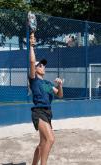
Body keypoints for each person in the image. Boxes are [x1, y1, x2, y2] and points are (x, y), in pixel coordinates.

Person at [29, 33, 63, 165]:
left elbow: (59, 95)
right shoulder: (34, 80)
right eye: (41, 65)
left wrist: (60, 85)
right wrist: (31, 45)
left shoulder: (48, 84)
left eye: (44, 65)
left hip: (48, 113)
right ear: (36, 69)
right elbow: (32, 61)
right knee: (51, 139)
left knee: (42, 144)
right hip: (39, 112)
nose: (44, 66)